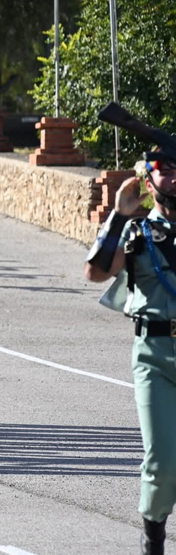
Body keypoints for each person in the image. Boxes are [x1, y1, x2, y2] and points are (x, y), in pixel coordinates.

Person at [85, 147, 176, 554]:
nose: (174, 179)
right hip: (153, 353)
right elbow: (95, 272)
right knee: (161, 462)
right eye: (166, 171)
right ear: (149, 179)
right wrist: (120, 214)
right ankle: (153, 537)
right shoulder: (136, 231)